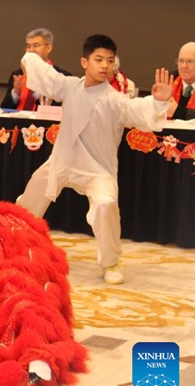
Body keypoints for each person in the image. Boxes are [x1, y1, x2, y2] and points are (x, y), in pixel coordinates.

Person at [16, 34, 172, 284]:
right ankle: (15, 245)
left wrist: (159, 102)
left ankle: (110, 261)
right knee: (32, 195)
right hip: (62, 161)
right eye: (98, 59)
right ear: (84, 62)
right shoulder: (70, 86)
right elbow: (46, 75)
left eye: (109, 61)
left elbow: (139, 111)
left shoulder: (115, 100)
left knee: (106, 203)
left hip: (97, 169)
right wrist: (30, 57)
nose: (105, 66)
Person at [1, 27, 71, 110]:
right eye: (28, 46)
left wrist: (40, 91)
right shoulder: (18, 74)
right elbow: (4, 108)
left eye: (36, 45)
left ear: (48, 48)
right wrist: (16, 92)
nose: (31, 50)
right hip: (17, 117)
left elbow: (64, 109)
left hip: (45, 118)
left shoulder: (62, 76)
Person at [168, 42, 195, 120]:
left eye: (190, 61)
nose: (184, 66)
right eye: (181, 61)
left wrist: (178, 112)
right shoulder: (169, 80)